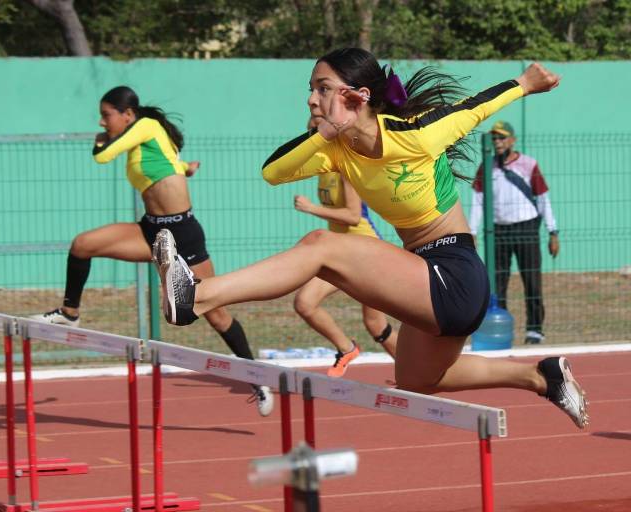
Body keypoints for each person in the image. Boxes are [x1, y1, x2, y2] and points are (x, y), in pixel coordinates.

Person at [151, 48, 588, 429]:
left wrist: (526, 82)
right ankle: (541, 377)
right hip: (422, 274)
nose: (310, 98)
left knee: (321, 247)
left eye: (322, 88)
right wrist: (321, 133)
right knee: (418, 379)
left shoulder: (414, 132)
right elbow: (273, 173)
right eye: (311, 88)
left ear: (357, 96)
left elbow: (474, 108)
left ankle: (197, 296)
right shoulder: (334, 150)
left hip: (454, 272)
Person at [32, 86, 273, 416]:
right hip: (151, 231)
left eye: (107, 115)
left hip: (181, 233)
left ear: (127, 115)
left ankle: (255, 375)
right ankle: (69, 313)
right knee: (82, 245)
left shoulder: (144, 126)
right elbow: (169, 162)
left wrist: (100, 142)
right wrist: (186, 168)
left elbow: (102, 156)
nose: (102, 122)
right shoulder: (145, 139)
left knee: (213, 313)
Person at [292, 116, 397, 377]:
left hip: (365, 251)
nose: (311, 138)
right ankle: (346, 347)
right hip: (341, 251)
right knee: (305, 303)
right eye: (309, 132)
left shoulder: (346, 166)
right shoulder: (323, 167)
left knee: (375, 323)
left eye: (316, 132)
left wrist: (311, 208)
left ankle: (415, 374)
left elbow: (352, 215)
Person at [468, 121, 559, 344]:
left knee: (532, 279)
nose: (497, 142)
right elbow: (478, 200)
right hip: (498, 231)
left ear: (512, 140)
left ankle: (535, 330)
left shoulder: (529, 164)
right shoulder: (486, 166)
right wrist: (472, 231)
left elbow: (543, 198)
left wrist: (553, 231)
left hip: (526, 228)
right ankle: (502, 328)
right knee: (497, 282)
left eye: (502, 138)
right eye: (494, 138)